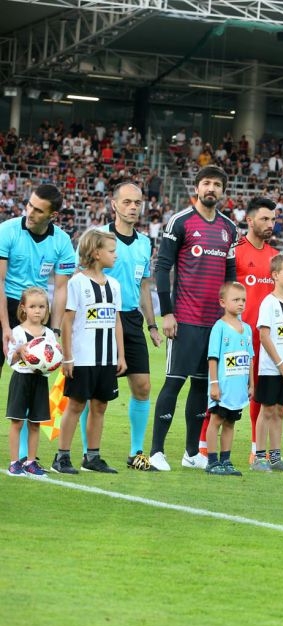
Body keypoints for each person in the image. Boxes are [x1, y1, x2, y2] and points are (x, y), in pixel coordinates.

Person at [150, 166, 238, 472]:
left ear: (222, 191)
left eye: (216, 184)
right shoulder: (181, 221)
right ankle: (156, 451)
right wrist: (167, 312)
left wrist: (230, 315)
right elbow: (162, 268)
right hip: (184, 319)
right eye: (206, 183)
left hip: (215, 323)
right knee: (174, 382)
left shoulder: (229, 228)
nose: (211, 188)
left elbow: (230, 277)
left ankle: (191, 452)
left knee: (201, 386)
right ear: (197, 188)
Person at [77, 182, 161, 471]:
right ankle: (89, 452)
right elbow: (83, 278)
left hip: (131, 318)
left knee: (143, 385)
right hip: (99, 318)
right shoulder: (98, 238)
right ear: (114, 204)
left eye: (137, 202)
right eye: (127, 202)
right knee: (93, 390)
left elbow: (145, 285)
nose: (133, 207)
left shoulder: (144, 242)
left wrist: (151, 325)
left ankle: (136, 451)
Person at [0, 183, 74, 459]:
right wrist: (6, 327)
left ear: (52, 215)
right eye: (29, 205)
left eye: (38, 209)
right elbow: (0, 279)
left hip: (36, 311)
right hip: (6, 303)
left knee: (32, 376)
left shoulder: (62, 242)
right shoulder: (7, 230)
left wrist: (51, 331)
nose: (30, 212)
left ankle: (24, 456)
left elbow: (62, 287)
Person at [52, 230, 126, 474]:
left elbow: (116, 321)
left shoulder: (114, 285)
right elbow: (67, 321)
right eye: (111, 251)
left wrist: (121, 355)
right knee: (76, 405)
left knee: (101, 405)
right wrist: (68, 356)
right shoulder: (77, 283)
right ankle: (61, 457)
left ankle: (92, 457)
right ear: (96, 253)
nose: (116, 255)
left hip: (106, 358)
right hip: (83, 358)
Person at [230, 197, 278, 462]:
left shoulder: (275, 258)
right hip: (237, 335)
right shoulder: (235, 250)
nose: (270, 224)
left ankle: (255, 449)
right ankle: (202, 448)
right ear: (249, 220)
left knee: (260, 394)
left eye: (273, 219)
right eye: (264, 219)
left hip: (264, 338)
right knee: (225, 391)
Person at [253, 253, 283, 473]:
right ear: (275, 275)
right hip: (271, 368)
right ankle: (259, 457)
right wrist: (280, 363)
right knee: (268, 410)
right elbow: (264, 336)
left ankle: (275, 457)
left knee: (281, 411)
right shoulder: (269, 303)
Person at [204, 282, 253, 476]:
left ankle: (226, 460)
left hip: (238, 388)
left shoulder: (247, 329)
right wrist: (214, 383)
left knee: (230, 423)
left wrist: (251, 384)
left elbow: (249, 357)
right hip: (222, 386)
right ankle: (212, 461)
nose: (241, 303)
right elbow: (213, 357)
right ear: (223, 302)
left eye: (243, 300)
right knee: (216, 420)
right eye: (236, 300)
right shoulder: (219, 327)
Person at [6, 287, 55, 476]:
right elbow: (11, 360)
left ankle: (30, 462)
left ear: (46, 309)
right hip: (21, 379)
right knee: (17, 422)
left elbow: (53, 361)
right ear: (23, 308)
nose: (37, 310)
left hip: (39, 381)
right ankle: (14, 462)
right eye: (33, 306)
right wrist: (19, 351)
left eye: (41, 306)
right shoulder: (17, 332)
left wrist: (49, 364)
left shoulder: (49, 335)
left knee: (35, 423)